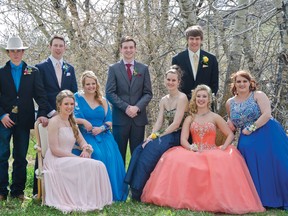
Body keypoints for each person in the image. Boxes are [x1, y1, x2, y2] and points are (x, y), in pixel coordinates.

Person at [141, 85, 265, 214]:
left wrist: (223, 147)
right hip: (193, 150)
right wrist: (190, 147)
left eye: (204, 96)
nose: (201, 99)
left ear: (209, 99)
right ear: (195, 99)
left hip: (212, 151)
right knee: (172, 158)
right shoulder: (190, 118)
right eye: (198, 96)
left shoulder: (215, 117)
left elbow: (230, 134)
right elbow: (184, 139)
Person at [226, 70, 288, 210]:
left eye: (245, 81)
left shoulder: (258, 95)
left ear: (250, 83)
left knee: (279, 165)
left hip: (268, 133)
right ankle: (261, 200)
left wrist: (252, 127)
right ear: (234, 84)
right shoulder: (230, 103)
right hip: (247, 140)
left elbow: (267, 114)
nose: (242, 84)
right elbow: (232, 123)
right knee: (252, 169)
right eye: (238, 81)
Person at [125, 65, 188, 201]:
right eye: (168, 80)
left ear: (178, 82)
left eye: (173, 80)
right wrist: (151, 136)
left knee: (151, 151)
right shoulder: (163, 100)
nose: (170, 83)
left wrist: (159, 136)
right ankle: (131, 187)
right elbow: (159, 122)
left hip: (179, 134)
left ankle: (138, 190)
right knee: (140, 149)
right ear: (164, 81)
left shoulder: (182, 98)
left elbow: (176, 124)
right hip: (166, 133)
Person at [43, 90, 112, 212]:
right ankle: (84, 199)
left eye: (71, 104)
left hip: (68, 158)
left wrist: (87, 149)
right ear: (59, 105)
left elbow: (82, 141)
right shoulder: (54, 121)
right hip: (56, 160)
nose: (69, 107)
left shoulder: (72, 121)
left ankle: (95, 199)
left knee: (99, 165)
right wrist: (76, 157)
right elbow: (54, 149)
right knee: (91, 164)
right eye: (66, 104)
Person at [0, 35, 48, 201]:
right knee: (2, 155)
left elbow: (41, 96)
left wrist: (42, 114)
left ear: (22, 52)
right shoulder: (1, 72)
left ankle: (17, 191)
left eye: (19, 51)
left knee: (20, 156)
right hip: (4, 121)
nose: (16, 54)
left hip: (24, 120)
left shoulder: (33, 72)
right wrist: (2, 115)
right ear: (8, 52)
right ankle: (1, 191)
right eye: (12, 51)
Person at [72, 71, 128, 201]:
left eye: (93, 83)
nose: (91, 86)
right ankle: (96, 194)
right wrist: (84, 121)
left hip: (103, 134)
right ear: (83, 85)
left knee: (110, 156)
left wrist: (102, 128)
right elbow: (72, 117)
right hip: (85, 135)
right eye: (88, 84)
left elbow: (109, 120)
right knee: (97, 155)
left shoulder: (103, 100)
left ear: (97, 84)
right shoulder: (77, 98)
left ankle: (111, 192)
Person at [33, 34, 78, 196]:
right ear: (50, 47)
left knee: (63, 148)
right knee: (44, 149)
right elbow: (39, 93)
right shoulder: (40, 67)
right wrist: (51, 112)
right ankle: (38, 189)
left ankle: (64, 187)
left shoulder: (70, 69)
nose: (58, 48)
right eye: (55, 45)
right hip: (47, 115)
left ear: (65, 47)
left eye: (61, 45)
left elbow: (73, 93)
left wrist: (67, 113)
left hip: (66, 116)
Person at [106, 36, 153, 165]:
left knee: (137, 154)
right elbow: (109, 93)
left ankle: (135, 184)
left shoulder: (143, 68)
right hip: (120, 119)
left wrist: (137, 108)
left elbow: (148, 93)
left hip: (138, 119)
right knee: (119, 155)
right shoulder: (114, 69)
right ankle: (121, 184)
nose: (128, 50)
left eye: (131, 47)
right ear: (121, 49)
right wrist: (126, 108)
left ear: (135, 49)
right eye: (125, 47)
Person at [172, 25, 219, 100]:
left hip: (205, 102)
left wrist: (206, 98)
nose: (194, 42)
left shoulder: (211, 59)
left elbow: (214, 84)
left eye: (197, 39)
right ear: (187, 40)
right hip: (184, 102)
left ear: (201, 40)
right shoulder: (177, 59)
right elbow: (175, 82)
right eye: (191, 39)